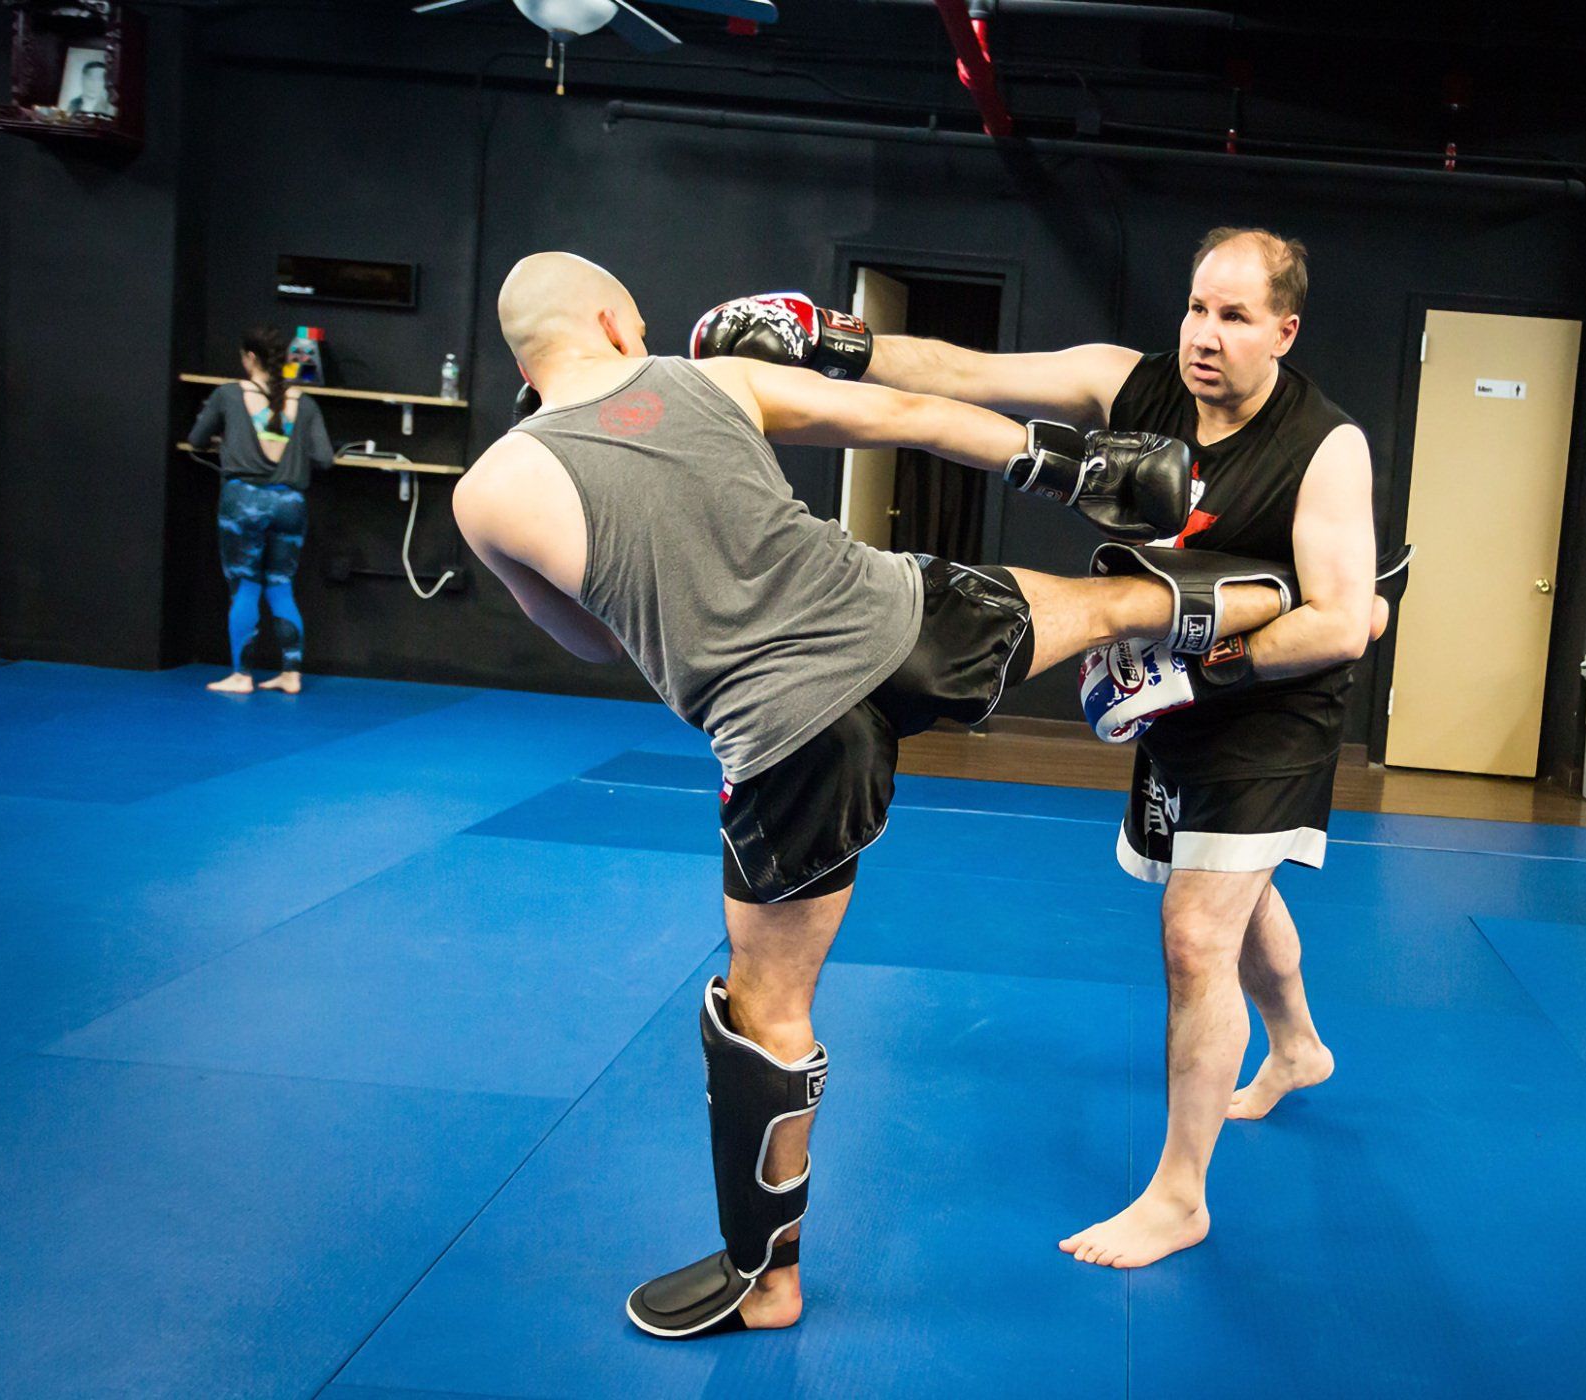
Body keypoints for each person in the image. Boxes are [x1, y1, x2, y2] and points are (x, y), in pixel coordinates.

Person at [454, 252, 1317, 1339]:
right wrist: (1082, 468)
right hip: (911, 617)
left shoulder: (488, 489)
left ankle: (766, 1281)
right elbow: (911, 412)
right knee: (1107, 608)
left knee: (760, 1014)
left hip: (792, 736)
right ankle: (1294, 595)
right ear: (617, 320)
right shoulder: (708, 379)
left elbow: (587, 638)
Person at [694, 226, 1386, 1270]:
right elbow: (967, 372)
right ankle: (1297, 1044)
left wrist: (1198, 668)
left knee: (1199, 931)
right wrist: (837, 343)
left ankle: (1180, 1195)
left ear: (1284, 330)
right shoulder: (1132, 385)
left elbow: (1344, 620)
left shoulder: (1326, 445)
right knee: (1244, 888)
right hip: (1172, 684)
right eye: (1198, 307)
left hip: (1270, 701)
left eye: (1236, 317)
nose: (1206, 334)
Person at [186, 326, 334, 695]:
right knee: (281, 585)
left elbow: (196, 440)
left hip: (243, 503)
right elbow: (324, 458)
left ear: (250, 358)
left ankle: (241, 675)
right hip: (290, 505)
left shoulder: (228, 395)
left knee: (246, 585)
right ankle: (291, 674)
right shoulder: (305, 402)